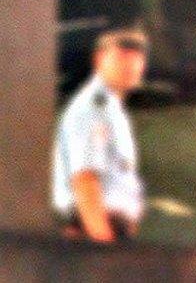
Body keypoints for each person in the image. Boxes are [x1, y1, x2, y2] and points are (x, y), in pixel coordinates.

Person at [51, 28, 149, 243]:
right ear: (99, 60)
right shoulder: (93, 108)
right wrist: (104, 246)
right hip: (96, 229)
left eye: (137, 59)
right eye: (122, 57)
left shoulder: (111, 108)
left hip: (108, 226)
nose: (131, 66)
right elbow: (85, 178)